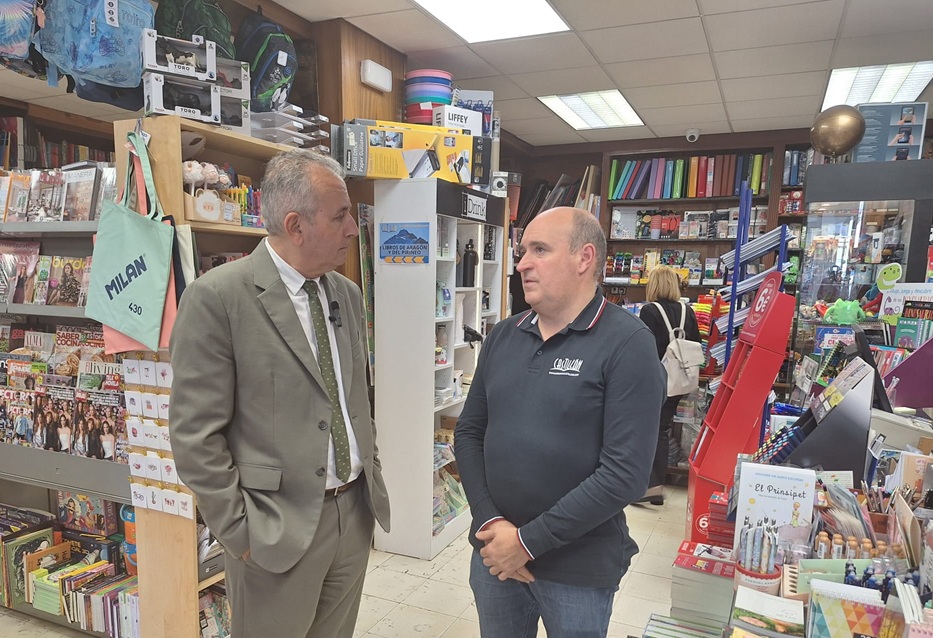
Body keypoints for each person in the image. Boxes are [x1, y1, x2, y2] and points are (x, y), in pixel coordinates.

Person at [170, 148, 390, 638]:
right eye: (341, 216)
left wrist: (367, 475)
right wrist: (239, 533)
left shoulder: (346, 295)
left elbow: (355, 400)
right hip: (274, 529)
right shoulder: (218, 298)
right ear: (296, 225)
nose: (353, 229)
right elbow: (194, 436)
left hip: (353, 515)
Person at [455, 207, 666, 638]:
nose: (522, 263)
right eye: (522, 251)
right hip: (495, 555)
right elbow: (469, 432)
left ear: (584, 258)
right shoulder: (503, 335)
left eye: (539, 250)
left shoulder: (628, 344)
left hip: (578, 571)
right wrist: (489, 523)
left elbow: (624, 475)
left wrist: (527, 542)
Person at [637, 266, 702, 506]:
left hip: (655, 379)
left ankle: (651, 486)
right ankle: (655, 485)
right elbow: (697, 344)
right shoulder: (688, 311)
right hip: (679, 381)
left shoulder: (649, 311)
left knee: (648, 431)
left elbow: (644, 349)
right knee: (661, 430)